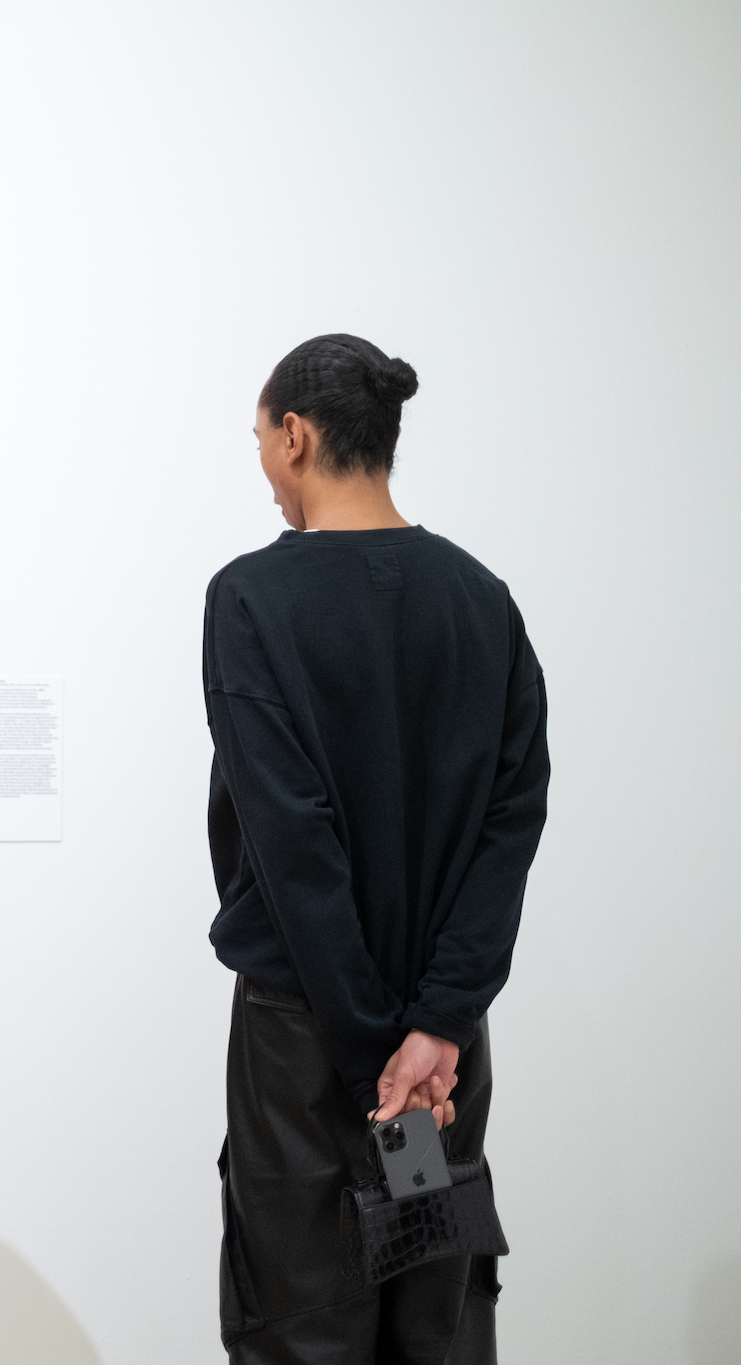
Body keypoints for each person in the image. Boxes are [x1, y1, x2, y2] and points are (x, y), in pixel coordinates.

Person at [205, 335, 550, 1362]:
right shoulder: (479, 600)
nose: (264, 463)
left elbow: (289, 839)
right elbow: (508, 823)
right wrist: (434, 1029)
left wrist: (374, 1056)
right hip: (439, 1060)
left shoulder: (250, 600)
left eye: (262, 440)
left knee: (303, 1321)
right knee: (429, 1314)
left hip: (309, 1048)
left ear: (296, 436)